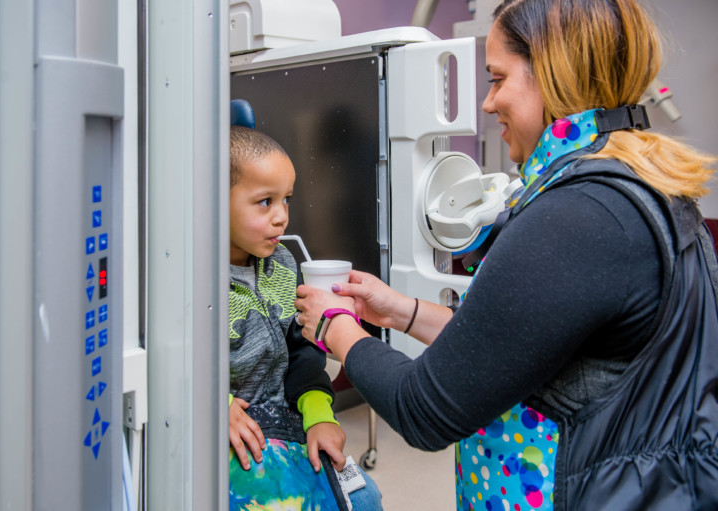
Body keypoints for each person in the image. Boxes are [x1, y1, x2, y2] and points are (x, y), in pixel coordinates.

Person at [293, 1, 718, 509]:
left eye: (497, 79)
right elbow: (512, 347)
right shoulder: (632, 188)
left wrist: (334, 324)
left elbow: (426, 409)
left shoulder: (581, 215)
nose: (488, 103)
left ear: (554, 76)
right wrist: (401, 312)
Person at [227, 125, 382, 510]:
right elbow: (176, 364)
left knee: (364, 499)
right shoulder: (188, 282)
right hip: (233, 429)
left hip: (288, 416)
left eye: (287, 200)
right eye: (265, 202)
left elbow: (301, 352)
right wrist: (216, 405)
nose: (282, 217)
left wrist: (319, 415)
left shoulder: (281, 265)